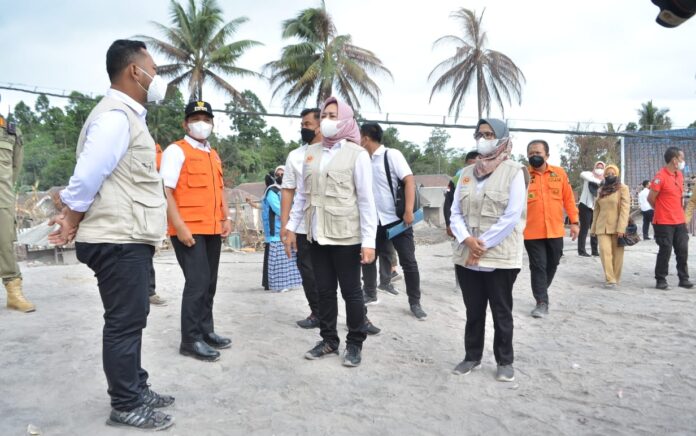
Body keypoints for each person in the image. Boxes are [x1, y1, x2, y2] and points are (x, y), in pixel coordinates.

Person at [48, 39, 174, 430]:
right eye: (152, 67)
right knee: (124, 321)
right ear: (135, 71)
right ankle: (124, 403)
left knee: (132, 318)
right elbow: (87, 176)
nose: (157, 75)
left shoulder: (129, 117)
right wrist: (70, 215)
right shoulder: (115, 117)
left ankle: (135, 386)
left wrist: (73, 216)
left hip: (126, 236)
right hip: (117, 239)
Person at [285, 96, 377, 367]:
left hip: (346, 236)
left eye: (333, 116)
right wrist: (291, 228)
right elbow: (302, 196)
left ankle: (355, 343)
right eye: (324, 115)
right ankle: (328, 339)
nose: (327, 121)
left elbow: (365, 201)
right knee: (324, 291)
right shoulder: (311, 154)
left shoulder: (357, 154)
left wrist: (369, 242)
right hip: (316, 235)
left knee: (351, 292)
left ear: (347, 120)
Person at [449, 118, 529, 382]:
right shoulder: (467, 174)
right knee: (473, 310)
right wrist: (467, 240)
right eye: (480, 134)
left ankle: (505, 360)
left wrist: (481, 244)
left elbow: (512, 215)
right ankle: (472, 356)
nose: (483, 139)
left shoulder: (514, 171)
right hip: (467, 254)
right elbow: (455, 213)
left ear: (503, 138)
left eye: (489, 134)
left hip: (500, 255)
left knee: (501, 310)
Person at [160, 100, 232, 362]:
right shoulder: (176, 151)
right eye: (195, 118)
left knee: (209, 283)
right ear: (185, 123)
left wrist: (225, 217)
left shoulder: (213, 154)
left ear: (212, 123)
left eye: (206, 118)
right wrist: (178, 226)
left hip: (212, 228)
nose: (201, 123)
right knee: (197, 282)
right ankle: (190, 340)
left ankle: (206, 330)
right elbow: (165, 190)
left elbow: (219, 190)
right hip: (189, 229)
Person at [359, 122, 427, 320]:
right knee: (368, 258)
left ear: (365, 138)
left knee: (409, 262)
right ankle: (370, 293)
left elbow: (409, 180)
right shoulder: (362, 160)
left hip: (397, 220)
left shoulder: (392, 155)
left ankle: (415, 302)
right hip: (373, 220)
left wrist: (408, 210)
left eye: (358, 136)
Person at [524, 139, 579, 318]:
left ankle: (541, 290)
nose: (534, 156)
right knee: (538, 265)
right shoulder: (522, 175)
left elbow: (568, 199)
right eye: (531, 153)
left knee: (553, 262)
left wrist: (575, 222)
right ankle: (541, 302)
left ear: (547, 155)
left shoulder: (559, 173)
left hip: (555, 229)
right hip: (531, 231)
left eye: (538, 153)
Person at [0, 114, 35, 312]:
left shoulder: (10, 132)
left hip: (1, 197)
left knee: (4, 244)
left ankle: (14, 293)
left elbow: (15, 167)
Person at [648, 146, 693, 290]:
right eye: (682, 158)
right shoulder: (660, 177)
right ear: (674, 160)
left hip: (679, 220)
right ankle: (661, 279)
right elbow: (651, 198)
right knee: (665, 250)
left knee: (682, 249)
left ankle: (683, 278)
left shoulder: (679, 175)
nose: (683, 161)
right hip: (663, 222)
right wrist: (662, 210)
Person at [263, 166, 302, 292]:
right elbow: (278, 209)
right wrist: (293, 215)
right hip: (276, 230)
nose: (281, 176)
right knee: (279, 259)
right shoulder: (272, 191)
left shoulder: (290, 191)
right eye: (278, 174)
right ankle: (279, 285)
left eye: (283, 174)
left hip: (289, 228)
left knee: (289, 259)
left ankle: (288, 283)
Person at [590, 165, 630, 288]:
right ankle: (610, 279)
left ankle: (616, 278)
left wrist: (621, 228)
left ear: (617, 174)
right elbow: (596, 209)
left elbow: (625, 209)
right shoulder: (600, 189)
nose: (610, 175)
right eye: (607, 173)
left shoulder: (622, 188)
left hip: (617, 227)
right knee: (604, 252)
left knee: (617, 255)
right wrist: (593, 227)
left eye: (613, 173)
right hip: (602, 226)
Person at [444, 151, 480, 238]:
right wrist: (448, 224)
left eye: (475, 165)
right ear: (466, 164)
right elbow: (448, 202)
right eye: (469, 166)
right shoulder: (455, 180)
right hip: (462, 225)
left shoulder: (488, 179)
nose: (472, 168)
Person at [149, 142, 166, 306]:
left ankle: (149, 292)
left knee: (147, 252)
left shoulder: (154, 148)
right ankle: (147, 292)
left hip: (151, 208)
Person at [577, 161, 605, 256]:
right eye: (598, 166)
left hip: (596, 207)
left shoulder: (604, 179)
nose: (599, 169)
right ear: (595, 166)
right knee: (584, 228)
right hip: (585, 204)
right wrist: (598, 181)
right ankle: (581, 250)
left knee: (595, 229)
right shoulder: (589, 175)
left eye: (602, 167)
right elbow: (582, 174)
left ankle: (594, 251)